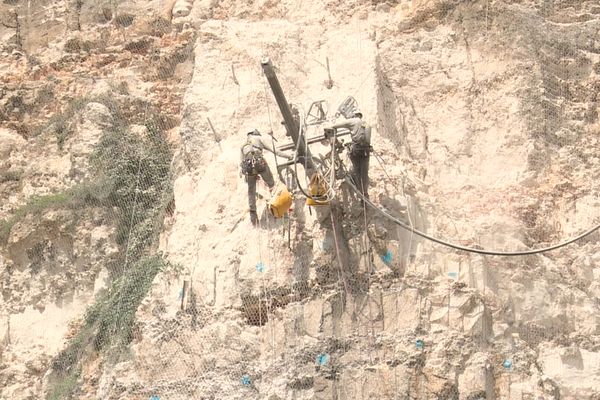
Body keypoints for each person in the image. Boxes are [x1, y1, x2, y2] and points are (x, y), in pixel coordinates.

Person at [240, 129, 292, 226]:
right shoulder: (259, 138)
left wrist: (251, 176)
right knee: (272, 185)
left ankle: (253, 218)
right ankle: (281, 209)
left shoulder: (243, 146)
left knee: (251, 191)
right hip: (260, 163)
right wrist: (288, 156)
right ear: (256, 134)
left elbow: (241, 167)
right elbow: (275, 150)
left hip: (249, 168)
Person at [330, 109, 372, 199]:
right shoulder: (366, 124)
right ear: (361, 115)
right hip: (365, 152)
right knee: (364, 173)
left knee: (356, 171)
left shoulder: (352, 121)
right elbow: (368, 141)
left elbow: (334, 126)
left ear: (354, 115)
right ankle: (365, 193)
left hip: (356, 151)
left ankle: (359, 192)